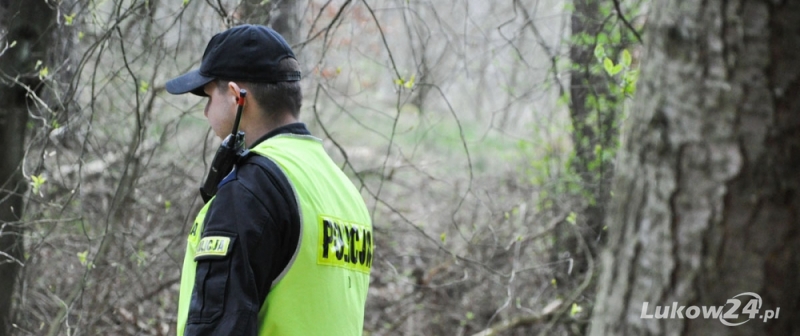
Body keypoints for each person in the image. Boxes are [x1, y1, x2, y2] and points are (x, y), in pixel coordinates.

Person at [165, 24, 374, 335]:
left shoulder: (250, 190)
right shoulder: (344, 191)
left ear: (237, 97)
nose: (206, 110)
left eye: (208, 96)